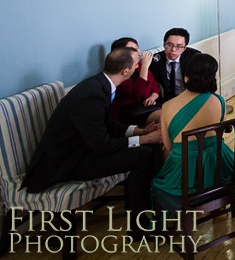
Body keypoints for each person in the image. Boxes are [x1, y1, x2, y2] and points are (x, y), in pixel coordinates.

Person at [24, 48, 162, 238]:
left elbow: (108, 124)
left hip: (84, 151)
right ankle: (138, 227)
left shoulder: (99, 85)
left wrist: (139, 131)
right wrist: (143, 139)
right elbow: (102, 146)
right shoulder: (92, 94)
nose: (138, 66)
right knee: (144, 155)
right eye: (136, 64)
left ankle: (149, 212)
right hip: (67, 162)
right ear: (125, 71)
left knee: (150, 149)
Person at [151, 54, 235, 210]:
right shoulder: (219, 101)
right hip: (219, 167)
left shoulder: (167, 106)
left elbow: (168, 146)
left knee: (157, 179)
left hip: (185, 176)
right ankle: (218, 203)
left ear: (186, 78)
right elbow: (221, 132)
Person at [109, 37, 162, 126]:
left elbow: (155, 87)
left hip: (148, 107)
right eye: (132, 49)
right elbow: (139, 94)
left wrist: (152, 97)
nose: (137, 52)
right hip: (129, 112)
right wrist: (145, 67)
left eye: (137, 47)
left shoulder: (140, 66)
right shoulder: (120, 73)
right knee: (164, 117)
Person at [149, 28, 201, 102]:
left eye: (179, 46)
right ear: (164, 45)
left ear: (184, 48)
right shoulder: (156, 60)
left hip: (190, 99)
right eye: (169, 45)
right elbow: (153, 84)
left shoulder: (194, 58)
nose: (173, 50)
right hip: (166, 101)